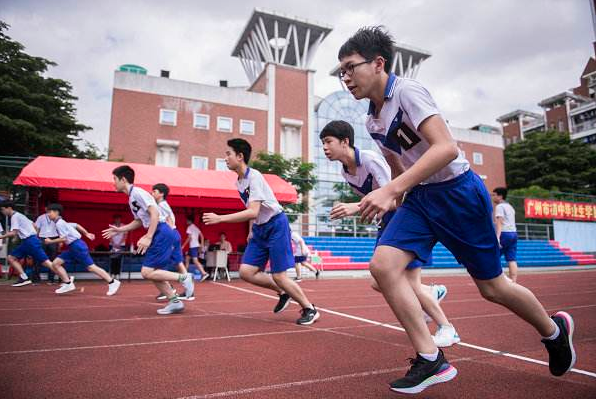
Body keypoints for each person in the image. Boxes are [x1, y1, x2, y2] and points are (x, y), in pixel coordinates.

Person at [337, 26, 575, 393]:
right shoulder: (372, 120)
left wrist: (392, 189)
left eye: (351, 67)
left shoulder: (408, 92)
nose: (346, 77)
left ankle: (554, 330)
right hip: (420, 198)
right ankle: (431, 358)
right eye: (342, 71)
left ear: (378, 63)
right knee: (383, 267)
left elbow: (445, 148)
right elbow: (399, 165)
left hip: (458, 194)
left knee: (493, 288)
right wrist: (388, 198)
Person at [320, 120, 458, 347]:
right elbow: (376, 201)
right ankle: (430, 293)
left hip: (407, 216)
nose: (324, 147)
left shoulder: (370, 160)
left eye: (328, 142)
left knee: (406, 282)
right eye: (323, 143)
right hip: (388, 221)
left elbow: (397, 198)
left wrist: (356, 207)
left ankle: (446, 327)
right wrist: (368, 211)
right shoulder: (346, 172)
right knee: (380, 281)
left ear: (345, 142)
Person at [203, 138, 320, 325]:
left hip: (276, 225)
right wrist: (252, 229)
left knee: (279, 275)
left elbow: (254, 210)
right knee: (246, 272)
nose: (225, 158)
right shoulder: (239, 182)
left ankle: (309, 308)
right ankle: (283, 291)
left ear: (240, 156)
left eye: (228, 154)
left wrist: (220, 218)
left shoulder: (254, 176)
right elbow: (253, 210)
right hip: (259, 228)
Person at [102, 165, 194, 315]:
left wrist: (148, 237)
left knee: (146, 272)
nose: (113, 183)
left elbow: (155, 213)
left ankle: (183, 277)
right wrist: (120, 229)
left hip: (161, 231)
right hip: (159, 231)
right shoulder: (132, 197)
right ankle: (175, 302)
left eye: (114, 179)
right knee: (154, 272)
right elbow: (139, 220)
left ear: (123, 179)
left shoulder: (137, 193)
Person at [44, 204, 121, 295]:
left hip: (77, 246)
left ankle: (112, 282)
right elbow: (76, 225)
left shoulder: (60, 223)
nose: (48, 214)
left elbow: (64, 238)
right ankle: (68, 283)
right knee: (55, 264)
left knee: (91, 267)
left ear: (56, 212)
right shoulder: (61, 222)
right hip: (72, 247)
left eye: (49, 212)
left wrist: (50, 241)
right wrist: (86, 233)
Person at [0, 200, 67, 287]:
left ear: (8, 208)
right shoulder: (20, 215)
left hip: (31, 241)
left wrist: (1, 237)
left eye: (2, 209)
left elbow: (13, 232)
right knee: (11, 258)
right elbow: (34, 225)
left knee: (47, 263)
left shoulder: (15, 217)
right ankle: (24, 278)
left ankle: (67, 280)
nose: (2, 212)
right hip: (28, 241)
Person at [152, 183, 196, 300]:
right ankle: (188, 291)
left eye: (154, 191)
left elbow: (169, 221)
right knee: (178, 262)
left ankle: (169, 289)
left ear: (161, 194)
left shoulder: (161, 205)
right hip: (173, 234)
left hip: (169, 235)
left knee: (158, 264)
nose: (152, 193)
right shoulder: (162, 204)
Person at [492, 187, 518, 283]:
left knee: (493, 256)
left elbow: (500, 222)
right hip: (513, 233)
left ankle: (501, 279)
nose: (493, 197)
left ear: (500, 196)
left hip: (504, 233)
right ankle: (513, 282)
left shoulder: (499, 207)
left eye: (494, 195)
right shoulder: (510, 207)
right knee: (511, 259)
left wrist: (497, 237)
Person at [34, 206, 59, 284]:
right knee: (39, 258)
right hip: (42, 238)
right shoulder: (40, 217)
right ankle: (36, 279)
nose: (49, 211)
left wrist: (61, 241)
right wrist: (35, 239)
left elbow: (60, 229)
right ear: (45, 209)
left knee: (53, 259)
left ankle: (51, 279)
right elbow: (37, 229)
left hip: (53, 238)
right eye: (47, 209)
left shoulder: (58, 218)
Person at [182, 216, 208, 282]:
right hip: (195, 246)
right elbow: (202, 236)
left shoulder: (189, 227)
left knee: (195, 261)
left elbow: (189, 238)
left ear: (190, 221)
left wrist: (183, 246)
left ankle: (204, 273)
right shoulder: (196, 228)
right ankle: (185, 275)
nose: (186, 222)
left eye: (187, 221)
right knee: (187, 259)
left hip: (193, 246)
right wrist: (201, 245)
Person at [108, 214, 127, 280]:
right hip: (112, 245)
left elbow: (125, 236)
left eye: (118, 218)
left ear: (120, 219)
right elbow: (109, 236)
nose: (117, 220)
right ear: (114, 219)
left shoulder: (123, 226)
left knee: (119, 260)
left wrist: (119, 243)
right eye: (116, 219)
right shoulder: (111, 226)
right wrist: (114, 244)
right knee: (113, 260)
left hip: (121, 245)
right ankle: (112, 274)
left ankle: (118, 274)